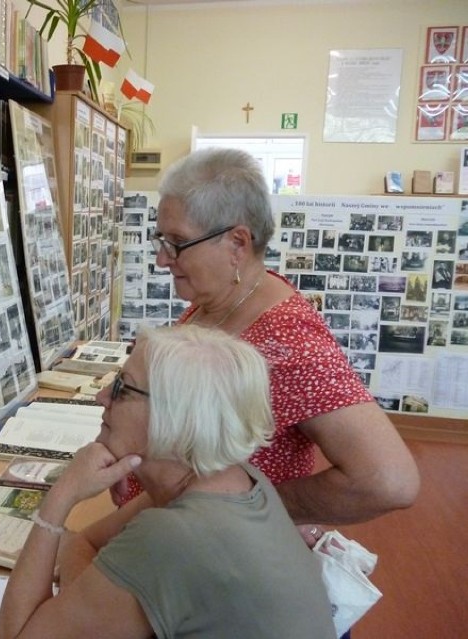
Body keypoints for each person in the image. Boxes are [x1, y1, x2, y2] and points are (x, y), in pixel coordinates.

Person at [113, 148, 418, 546]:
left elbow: (388, 481)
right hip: (172, 542)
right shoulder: (217, 303)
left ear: (237, 243)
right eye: (162, 240)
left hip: (221, 554)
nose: (161, 260)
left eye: (177, 243)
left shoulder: (288, 340)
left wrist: (250, 504)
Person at [0, 325, 335, 639]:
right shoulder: (237, 479)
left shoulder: (174, 535)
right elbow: (83, 544)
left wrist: (62, 494)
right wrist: (89, 600)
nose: (101, 398)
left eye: (120, 388)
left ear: (175, 417)